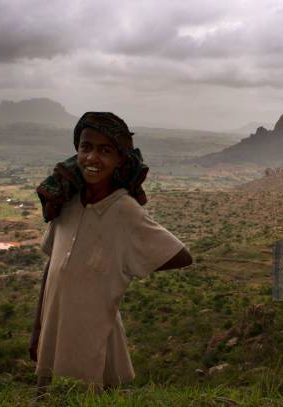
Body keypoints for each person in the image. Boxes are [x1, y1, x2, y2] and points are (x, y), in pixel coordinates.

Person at [29, 112, 192, 396]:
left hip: (97, 334)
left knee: (92, 395)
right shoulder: (66, 204)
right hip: (54, 332)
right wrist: (38, 329)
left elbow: (182, 255)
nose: (92, 158)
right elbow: (53, 267)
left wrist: (123, 265)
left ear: (120, 159)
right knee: (51, 395)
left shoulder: (125, 211)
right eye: (86, 147)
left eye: (105, 151)